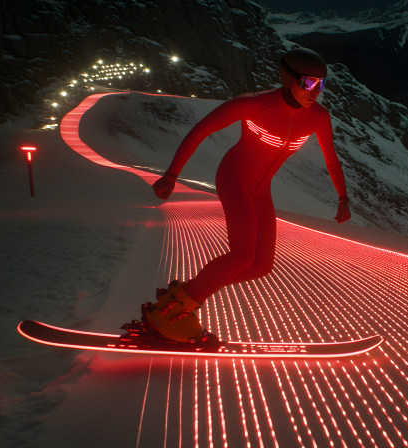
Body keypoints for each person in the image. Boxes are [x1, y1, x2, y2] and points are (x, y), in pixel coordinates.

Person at [143, 47, 351, 343]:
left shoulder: (318, 116)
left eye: (321, 83)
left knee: (260, 265)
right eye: (308, 82)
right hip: (234, 178)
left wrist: (343, 198)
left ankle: (181, 296)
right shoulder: (254, 105)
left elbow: (331, 159)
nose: (315, 91)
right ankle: (171, 312)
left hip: (260, 188)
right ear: (287, 77)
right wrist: (172, 175)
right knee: (242, 256)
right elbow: (200, 131)